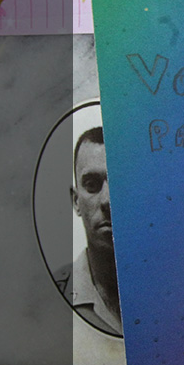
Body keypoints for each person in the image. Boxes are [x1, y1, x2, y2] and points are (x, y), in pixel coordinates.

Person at [52, 127, 122, 335]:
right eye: (92, 184)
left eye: (121, 182)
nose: (107, 200)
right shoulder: (50, 294)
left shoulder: (177, 286)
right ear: (76, 201)